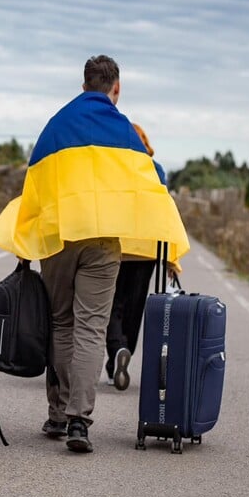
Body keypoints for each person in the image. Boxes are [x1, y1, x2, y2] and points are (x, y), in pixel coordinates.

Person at [0, 55, 189, 453]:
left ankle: (58, 415)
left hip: (61, 238)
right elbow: (151, 185)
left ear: (83, 85)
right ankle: (80, 421)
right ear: (117, 88)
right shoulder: (125, 133)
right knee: (92, 327)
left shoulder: (57, 125)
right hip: (103, 242)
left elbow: (35, 187)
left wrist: (25, 239)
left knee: (61, 322)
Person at [105, 123, 165, 390]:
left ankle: (117, 350)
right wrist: (172, 258)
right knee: (135, 307)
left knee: (110, 305)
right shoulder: (157, 171)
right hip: (147, 249)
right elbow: (166, 214)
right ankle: (123, 351)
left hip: (116, 245)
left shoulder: (113, 168)